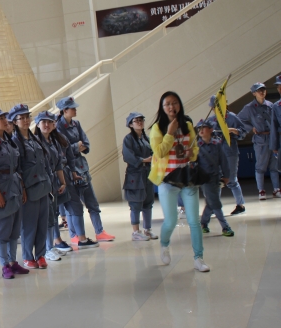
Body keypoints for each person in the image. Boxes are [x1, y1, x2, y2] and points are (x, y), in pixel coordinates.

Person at [148, 92, 208, 272]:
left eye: (174, 103)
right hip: (168, 180)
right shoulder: (157, 128)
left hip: (188, 178)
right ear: (162, 108)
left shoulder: (187, 125)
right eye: (167, 104)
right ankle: (164, 244)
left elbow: (194, 149)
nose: (171, 107)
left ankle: (198, 258)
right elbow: (159, 152)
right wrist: (170, 133)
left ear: (179, 105)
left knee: (194, 221)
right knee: (171, 221)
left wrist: (192, 153)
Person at [34, 112, 98, 253]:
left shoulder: (59, 139)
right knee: (53, 211)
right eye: (43, 122)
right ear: (37, 124)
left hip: (64, 175)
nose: (47, 125)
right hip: (47, 180)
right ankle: (57, 241)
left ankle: (81, 239)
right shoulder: (35, 142)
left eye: (50, 122)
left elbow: (69, 156)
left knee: (75, 206)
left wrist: (73, 173)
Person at [56, 96, 115, 243]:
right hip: (69, 170)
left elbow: (86, 143)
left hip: (82, 167)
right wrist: (77, 146)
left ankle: (99, 231)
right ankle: (74, 234)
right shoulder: (58, 127)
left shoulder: (76, 124)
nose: (75, 110)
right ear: (65, 110)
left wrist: (78, 146)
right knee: (73, 206)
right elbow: (63, 149)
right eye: (72, 108)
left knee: (92, 202)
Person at [0, 107, 30, 279]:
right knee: (3, 230)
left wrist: (22, 188)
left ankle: (13, 262)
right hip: (2, 189)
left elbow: (16, 168)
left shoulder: (9, 141)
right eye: (0, 119)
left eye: (4, 118)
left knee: (15, 230)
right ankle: (4, 265)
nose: (5, 121)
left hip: (15, 188)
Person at [9, 104, 51, 268]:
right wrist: (22, 189)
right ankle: (28, 256)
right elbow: (17, 168)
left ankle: (41, 254)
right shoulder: (14, 142)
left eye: (27, 117)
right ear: (15, 122)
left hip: (43, 186)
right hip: (29, 188)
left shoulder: (35, 139)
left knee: (42, 223)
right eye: (22, 118)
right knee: (29, 225)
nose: (26, 120)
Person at [238, 83, 279, 200]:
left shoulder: (271, 105)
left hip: (272, 138)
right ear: (254, 93)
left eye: (263, 90)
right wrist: (251, 127)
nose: (262, 92)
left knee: (274, 166)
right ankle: (261, 190)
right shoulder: (249, 108)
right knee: (260, 167)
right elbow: (239, 119)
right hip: (260, 140)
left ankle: (276, 189)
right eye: (258, 90)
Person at [207, 95, 247, 214]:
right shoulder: (211, 120)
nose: (214, 109)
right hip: (216, 153)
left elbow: (243, 131)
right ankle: (215, 206)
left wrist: (233, 130)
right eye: (213, 107)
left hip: (230, 151)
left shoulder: (232, 117)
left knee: (232, 180)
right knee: (217, 180)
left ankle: (240, 205)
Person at [122, 112, 158, 241]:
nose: (139, 122)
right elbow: (128, 156)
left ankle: (147, 229)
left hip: (147, 173)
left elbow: (153, 151)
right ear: (130, 124)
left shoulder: (146, 138)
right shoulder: (128, 139)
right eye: (136, 121)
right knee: (136, 203)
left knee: (148, 202)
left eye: (141, 120)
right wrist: (142, 160)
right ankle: (136, 232)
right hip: (135, 175)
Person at [196, 120, 234, 237]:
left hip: (216, 177)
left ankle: (203, 223)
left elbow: (223, 161)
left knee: (211, 202)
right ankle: (225, 226)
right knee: (215, 202)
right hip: (205, 179)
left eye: (204, 127)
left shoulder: (217, 144)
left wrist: (226, 176)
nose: (201, 130)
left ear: (211, 129)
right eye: (199, 128)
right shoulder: (196, 146)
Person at [269, 76, 281, 190]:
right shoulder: (276, 106)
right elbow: (274, 126)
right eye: (278, 87)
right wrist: (274, 146)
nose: (280, 89)